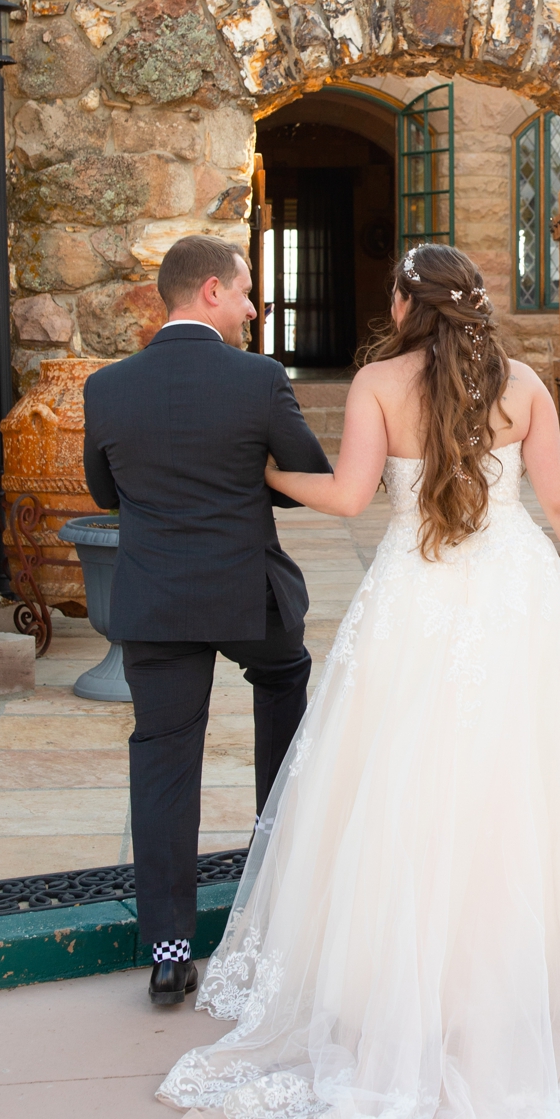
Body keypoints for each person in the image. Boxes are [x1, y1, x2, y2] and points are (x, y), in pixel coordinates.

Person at [158, 244, 560, 1119]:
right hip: (515, 594)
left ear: (405, 304)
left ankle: (405, 979)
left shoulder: (375, 382)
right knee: (523, 783)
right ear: (474, 304)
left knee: (403, 788)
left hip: (414, 602)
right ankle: (511, 964)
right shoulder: (522, 382)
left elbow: (350, 497)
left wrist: (269, 474)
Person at [82, 235, 333, 1007]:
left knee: (162, 756)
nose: (256, 308)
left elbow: (104, 491)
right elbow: (306, 478)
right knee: (284, 674)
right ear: (213, 291)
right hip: (244, 594)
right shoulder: (258, 379)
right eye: (249, 292)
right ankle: (276, 885)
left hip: (156, 602)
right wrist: (246, 462)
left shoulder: (107, 386)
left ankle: (167, 952)